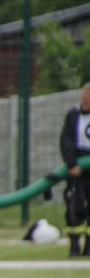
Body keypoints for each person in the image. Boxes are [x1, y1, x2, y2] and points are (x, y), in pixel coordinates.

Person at [59, 81, 90, 256]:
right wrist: (72, 163)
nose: (84, 104)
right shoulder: (73, 115)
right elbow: (66, 141)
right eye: (83, 100)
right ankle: (74, 245)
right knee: (74, 205)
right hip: (77, 167)